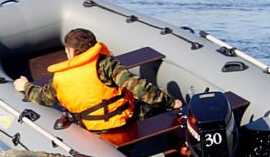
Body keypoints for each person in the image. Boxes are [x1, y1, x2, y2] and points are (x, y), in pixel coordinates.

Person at [13, 28, 182, 132]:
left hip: (92, 127)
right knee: (152, 107)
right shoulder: (106, 65)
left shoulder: (60, 77)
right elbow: (139, 88)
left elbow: (43, 98)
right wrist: (170, 103)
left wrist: (25, 86)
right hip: (122, 121)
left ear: (71, 52)